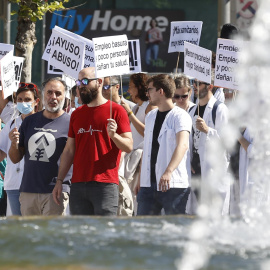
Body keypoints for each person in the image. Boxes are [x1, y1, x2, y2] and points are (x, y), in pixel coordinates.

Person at [52, 67, 133, 216]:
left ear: (100, 82)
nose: (81, 85)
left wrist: (114, 136)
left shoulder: (116, 110)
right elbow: (69, 150)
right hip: (77, 185)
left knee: (104, 234)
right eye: (78, 82)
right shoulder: (76, 114)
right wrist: (60, 181)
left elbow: (128, 146)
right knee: (82, 235)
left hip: (106, 184)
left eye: (85, 81)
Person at [8, 77, 71, 216]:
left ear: (65, 97)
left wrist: (61, 183)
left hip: (55, 191)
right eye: (49, 92)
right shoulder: (29, 121)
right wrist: (14, 144)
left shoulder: (71, 123)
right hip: (28, 191)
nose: (53, 97)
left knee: (51, 236)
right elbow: (15, 158)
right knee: (29, 236)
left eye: (58, 93)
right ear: (43, 95)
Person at [136, 74, 192, 215]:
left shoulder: (180, 116)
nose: (147, 93)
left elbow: (182, 145)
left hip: (172, 185)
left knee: (173, 230)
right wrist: (141, 178)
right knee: (144, 229)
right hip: (148, 185)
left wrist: (168, 171)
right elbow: (147, 148)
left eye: (149, 89)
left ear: (161, 91)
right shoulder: (150, 116)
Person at [189, 76, 230, 215]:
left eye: (199, 83)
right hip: (195, 170)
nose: (194, 86)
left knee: (213, 214)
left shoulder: (219, 109)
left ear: (210, 86)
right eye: (193, 83)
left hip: (212, 171)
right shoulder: (192, 110)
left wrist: (208, 130)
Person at [0, 83, 40, 216]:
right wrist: (12, 143)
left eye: (27, 99)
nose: (23, 103)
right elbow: (1, 153)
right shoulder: (12, 123)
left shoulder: (43, 123)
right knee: (18, 227)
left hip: (36, 186)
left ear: (36, 102)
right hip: (14, 185)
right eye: (20, 100)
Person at [120, 73, 156, 215]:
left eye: (131, 87)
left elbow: (147, 132)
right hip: (130, 158)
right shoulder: (136, 108)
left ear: (140, 87)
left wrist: (129, 113)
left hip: (140, 161)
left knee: (135, 198)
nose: (129, 91)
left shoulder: (150, 107)